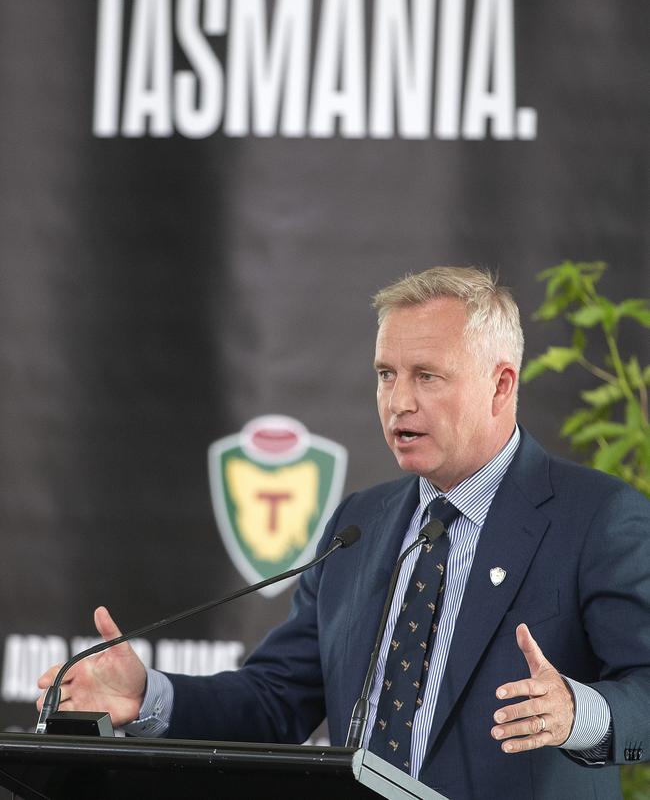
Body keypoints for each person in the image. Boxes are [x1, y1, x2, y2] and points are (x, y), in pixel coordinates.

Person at [37, 267, 650, 800]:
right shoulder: (361, 523)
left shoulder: (595, 518)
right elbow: (275, 698)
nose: (398, 402)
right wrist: (148, 696)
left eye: (427, 376)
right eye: (386, 374)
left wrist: (582, 714)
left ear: (501, 385)